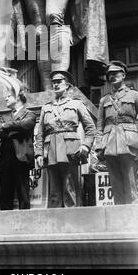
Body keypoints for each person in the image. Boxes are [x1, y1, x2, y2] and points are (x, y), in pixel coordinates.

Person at [35, 71, 96, 208]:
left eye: (59, 82)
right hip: (51, 151)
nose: (55, 85)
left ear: (67, 85)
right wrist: (38, 153)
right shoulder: (46, 107)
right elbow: (40, 133)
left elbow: (91, 128)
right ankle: (56, 224)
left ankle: (73, 223)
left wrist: (86, 146)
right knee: (53, 193)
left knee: (70, 189)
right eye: (54, 82)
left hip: (71, 151)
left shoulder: (76, 104)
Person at [96, 61, 138, 204]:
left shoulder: (136, 95)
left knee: (131, 186)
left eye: (115, 73)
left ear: (123, 75)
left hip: (129, 144)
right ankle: (119, 221)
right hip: (109, 146)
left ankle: (134, 222)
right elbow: (99, 126)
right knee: (116, 188)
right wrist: (99, 147)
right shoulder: (104, 100)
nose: (112, 76)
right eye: (109, 74)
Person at [0, 87, 36, 210]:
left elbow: (26, 125)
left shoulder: (29, 114)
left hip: (21, 158)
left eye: (8, 96)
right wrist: (15, 129)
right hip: (4, 159)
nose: (5, 98)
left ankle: (24, 222)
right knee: (5, 194)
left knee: (23, 193)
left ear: (17, 97)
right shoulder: (5, 116)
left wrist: (7, 125)